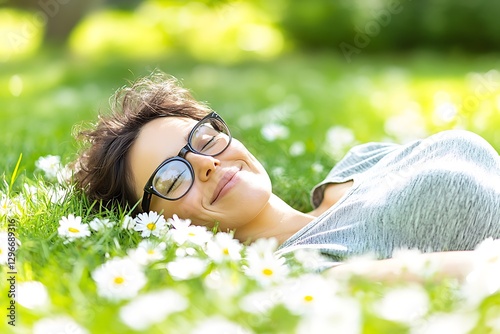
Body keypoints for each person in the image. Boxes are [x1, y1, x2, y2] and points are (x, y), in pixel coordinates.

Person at [73, 71, 500, 279]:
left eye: (201, 139)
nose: (204, 163)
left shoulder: (358, 162)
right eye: (170, 179)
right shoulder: (302, 271)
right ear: (158, 225)